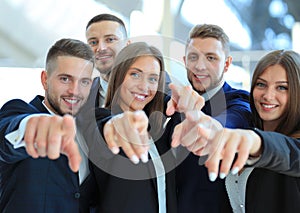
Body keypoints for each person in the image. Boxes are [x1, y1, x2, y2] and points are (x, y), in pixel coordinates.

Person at [80, 41, 204, 213]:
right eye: (135, 75)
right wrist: (116, 124)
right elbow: (102, 130)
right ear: (119, 75)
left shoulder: (158, 135)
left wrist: (183, 104)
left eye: (152, 78)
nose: (144, 86)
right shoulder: (98, 120)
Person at [172, 49, 300, 212]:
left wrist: (255, 141)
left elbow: (289, 153)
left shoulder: (291, 149)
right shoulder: (246, 123)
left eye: (282, 88)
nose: (268, 95)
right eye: (261, 84)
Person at [0, 38, 95, 212]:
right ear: (45, 79)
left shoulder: (91, 132)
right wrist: (31, 127)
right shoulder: (18, 112)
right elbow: (6, 137)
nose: (75, 90)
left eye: (84, 82)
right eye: (65, 79)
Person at [173, 24, 253, 212]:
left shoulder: (239, 101)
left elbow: (231, 122)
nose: (200, 66)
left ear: (226, 63)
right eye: (193, 57)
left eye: (211, 58)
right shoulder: (175, 104)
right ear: (185, 61)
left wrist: (211, 128)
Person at [84, 13, 171, 108]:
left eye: (110, 39)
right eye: (93, 42)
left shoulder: (161, 88)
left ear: (127, 45)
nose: (101, 48)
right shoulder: (83, 93)